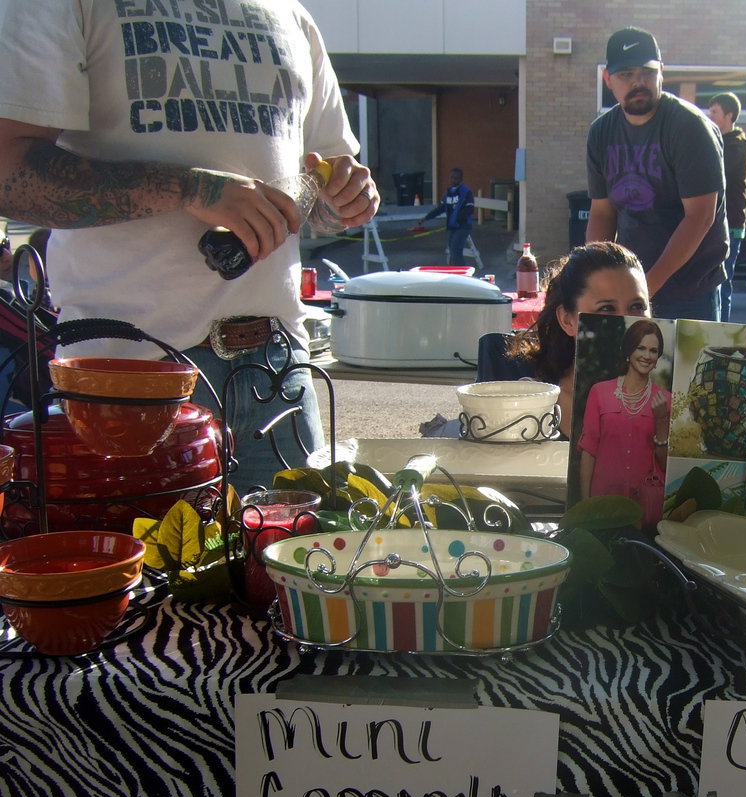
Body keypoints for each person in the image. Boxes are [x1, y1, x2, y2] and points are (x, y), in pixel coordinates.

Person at [0, 1, 379, 493]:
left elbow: (323, 178)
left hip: (278, 369)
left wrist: (343, 197)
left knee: (288, 566)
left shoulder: (288, 13)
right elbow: (10, 172)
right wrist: (193, 190)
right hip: (127, 378)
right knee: (152, 568)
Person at [586, 27, 728, 321]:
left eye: (647, 72)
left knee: (688, 369)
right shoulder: (601, 132)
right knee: (619, 369)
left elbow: (700, 217)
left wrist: (644, 290)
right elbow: (602, 213)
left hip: (690, 293)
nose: (639, 82)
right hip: (629, 291)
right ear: (608, 79)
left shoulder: (689, 127)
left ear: (661, 71)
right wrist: (592, 280)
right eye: (626, 74)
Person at [505, 241, 651, 434]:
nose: (626, 322)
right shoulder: (533, 404)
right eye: (606, 309)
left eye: (637, 307)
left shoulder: (670, 401)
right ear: (567, 320)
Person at [577, 319, 670, 529]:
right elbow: (589, 451)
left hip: (644, 508)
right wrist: (585, 505)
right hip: (603, 503)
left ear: (657, 358)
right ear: (629, 351)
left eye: (653, 351)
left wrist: (662, 420)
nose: (647, 356)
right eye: (641, 348)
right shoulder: (600, 392)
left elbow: (664, 465)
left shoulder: (666, 400)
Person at [706, 92, 746, 322]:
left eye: (714, 112)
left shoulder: (735, 146)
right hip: (714, 222)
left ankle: (721, 331)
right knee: (712, 284)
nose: (709, 116)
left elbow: (716, 175)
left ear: (729, 116)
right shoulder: (720, 142)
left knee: (723, 284)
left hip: (730, 223)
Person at [418, 167, 475, 267]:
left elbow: (470, 209)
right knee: (452, 250)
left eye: (456, 178)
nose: (453, 180)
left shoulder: (466, 192)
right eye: (452, 177)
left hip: (463, 226)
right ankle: (455, 270)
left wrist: (458, 217)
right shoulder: (448, 193)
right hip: (451, 226)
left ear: (461, 180)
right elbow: (440, 209)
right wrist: (426, 218)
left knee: (456, 249)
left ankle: (461, 272)